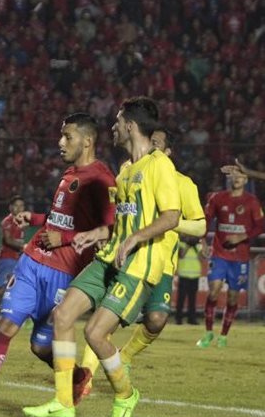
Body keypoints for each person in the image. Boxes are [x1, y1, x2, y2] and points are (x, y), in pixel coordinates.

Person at [23, 97, 180, 417]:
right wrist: (96, 235)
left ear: (130, 126)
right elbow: (121, 222)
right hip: (109, 257)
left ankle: (125, 394)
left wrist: (136, 239)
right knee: (62, 315)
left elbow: (171, 216)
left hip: (138, 265)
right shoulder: (125, 170)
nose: (112, 127)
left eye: (118, 121)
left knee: (95, 333)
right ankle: (63, 403)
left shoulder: (159, 166)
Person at [0, 113, 115, 417]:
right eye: (61, 135)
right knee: (6, 324)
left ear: (87, 140)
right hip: (32, 262)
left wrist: (65, 239)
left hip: (64, 275)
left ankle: (79, 377)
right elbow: (58, 219)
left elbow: (110, 229)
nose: (60, 142)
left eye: (67, 136)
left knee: (40, 347)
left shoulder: (102, 180)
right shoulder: (69, 174)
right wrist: (35, 219)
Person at [75, 128, 206, 389]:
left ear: (168, 153)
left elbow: (199, 227)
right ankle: (85, 379)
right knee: (105, 319)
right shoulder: (132, 173)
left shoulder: (183, 183)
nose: (149, 148)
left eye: (156, 145)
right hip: (130, 258)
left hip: (162, 264)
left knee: (156, 320)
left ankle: (125, 357)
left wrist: (167, 222)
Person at [197, 167, 263, 348]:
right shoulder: (219, 198)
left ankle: (224, 335)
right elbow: (205, 219)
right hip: (219, 254)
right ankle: (208, 332)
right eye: (235, 175)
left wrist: (242, 237)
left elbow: (260, 226)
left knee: (233, 298)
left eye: (241, 175)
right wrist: (202, 242)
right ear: (230, 178)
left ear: (246, 180)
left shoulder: (252, 201)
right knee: (213, 290)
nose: (237, 178)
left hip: (240, 258)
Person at [0, 195, 26, 322]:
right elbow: (8, 240)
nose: (19, 208)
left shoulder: (22, 222)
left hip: (18, 258)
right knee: (1, 286)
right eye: (16, 205)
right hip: (7, 258)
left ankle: (7, 311)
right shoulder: (7, 222)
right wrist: (24, 246)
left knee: (15, 286)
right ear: (10, 207)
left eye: (21, 206)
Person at [175, 235, 204, 325]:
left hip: (195, 275)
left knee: (192, 299)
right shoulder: (182, 244)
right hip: (184, 275)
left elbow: (201, 259)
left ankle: (191, 318)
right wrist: (188, 245)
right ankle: (179, 318)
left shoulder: (198, 246)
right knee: (181, 298)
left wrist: (195, 247)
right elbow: (181, 255)